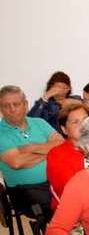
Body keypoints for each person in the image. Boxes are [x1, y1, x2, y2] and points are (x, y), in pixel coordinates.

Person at [0, 85, 63, 219]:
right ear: (1, 109)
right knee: (65, 210)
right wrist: (48, 150)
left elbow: (61, 144)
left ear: (25, 105)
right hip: (26, 192)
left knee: (87, 199)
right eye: (6, 106)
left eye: (16, 104)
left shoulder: (39, 123)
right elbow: (17, 162)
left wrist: (32, 148)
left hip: (55, 182)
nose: (12, 109)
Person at [46, 100, 89, 210]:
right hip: (73, 210)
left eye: (86, 120)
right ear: (64, 130)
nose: (83, 126)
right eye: (76, 122)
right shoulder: (56, 154)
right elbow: (71, 190)